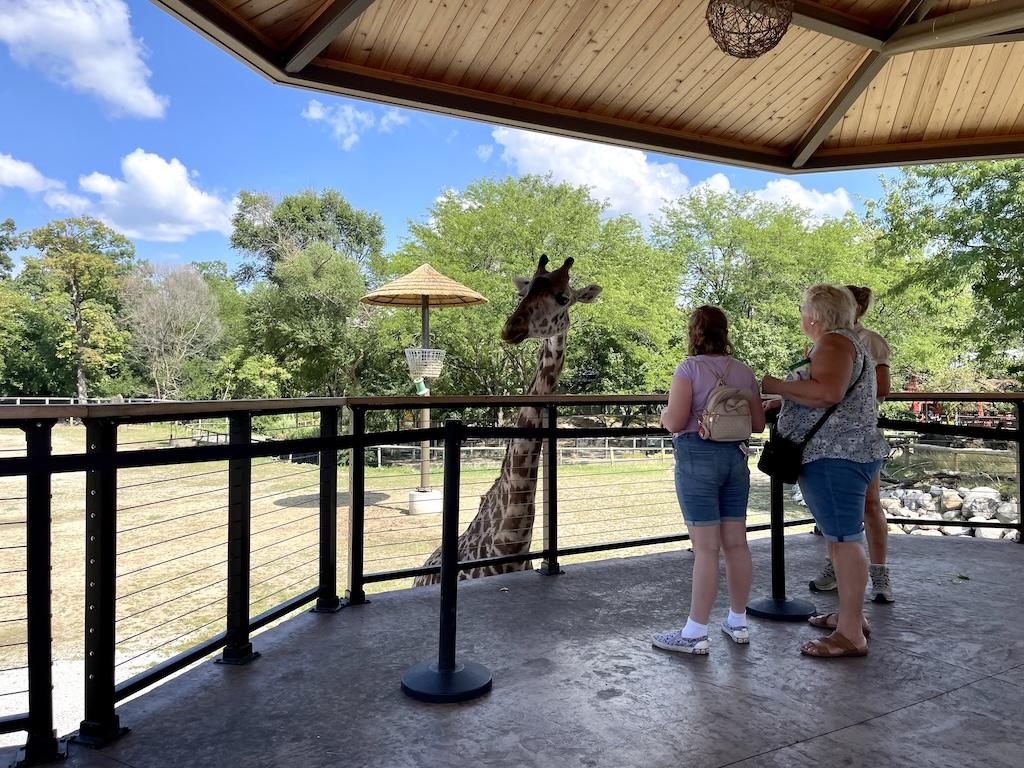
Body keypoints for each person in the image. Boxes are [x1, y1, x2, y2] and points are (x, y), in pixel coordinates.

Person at [762, 285, 888, 658]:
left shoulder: (833, 343)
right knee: (839, 538)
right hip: (851, 453)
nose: (802, 316)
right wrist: (787, 396)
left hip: (835, 457)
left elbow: (829, 392)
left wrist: (774, 385)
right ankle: (850, 616)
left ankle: (850, 634)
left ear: (814, 315)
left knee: (846, 542)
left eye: (803, 310)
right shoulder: (851, 342)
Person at [652, 306, 765, 655]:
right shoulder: (744, 372)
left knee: (705, 548)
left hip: (697, 457)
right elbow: (758, 425)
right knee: (736, 544)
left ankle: (694, 632)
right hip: (735, 458)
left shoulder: (689, 368)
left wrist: (662, 414)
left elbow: (674, 422)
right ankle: (738, 621)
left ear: (695, 332)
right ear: (725, 332)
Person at [808, 285, 895, 602]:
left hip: (857, 439)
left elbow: (882, 386)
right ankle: (836, 569)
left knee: (871, 506)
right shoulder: (823, 340)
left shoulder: (867, 341)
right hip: (828, 440)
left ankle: (880, 576)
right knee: (836, 515)